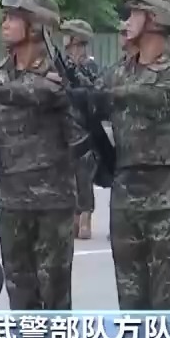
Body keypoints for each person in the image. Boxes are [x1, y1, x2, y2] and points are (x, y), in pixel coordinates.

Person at [79, 0, 170, 309]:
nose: (127, 21)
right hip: (125, 202)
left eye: (135, 13)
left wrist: (108, 95)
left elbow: (158, 97)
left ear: (156, 18)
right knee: (130, 306)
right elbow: (90, 103)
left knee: (165, 307)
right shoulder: (118, 72)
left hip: (166, 204)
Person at [0, 0, 80, 309]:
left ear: (36, 26)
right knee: (19, 291)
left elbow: (36, 92)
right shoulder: (0, 71)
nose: (4, 24)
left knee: (54, 294)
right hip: (12, 198)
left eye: (13, 18)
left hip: (50, 200)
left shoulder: (57, 72)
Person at [60, 18, 101, 240]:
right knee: (67, 175)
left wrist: (76, 73)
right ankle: (73, 215)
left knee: (84, 174)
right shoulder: (62, 64)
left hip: (84, 127)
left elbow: (94, 91)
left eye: (68, 35)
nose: (64, 39)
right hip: (65, 126)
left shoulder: (90, 66)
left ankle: (85, 216)